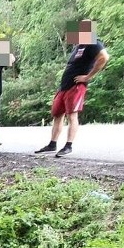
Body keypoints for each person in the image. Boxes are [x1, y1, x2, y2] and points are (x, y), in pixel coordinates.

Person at [35, 20, 109, 157]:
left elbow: (104, 57)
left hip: (76, 86)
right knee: (57, 114)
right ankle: (52, 144)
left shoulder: (94, 43)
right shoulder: (78, 46)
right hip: (64, 86)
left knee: (72, 115)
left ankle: (68, 146)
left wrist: (87, 77)